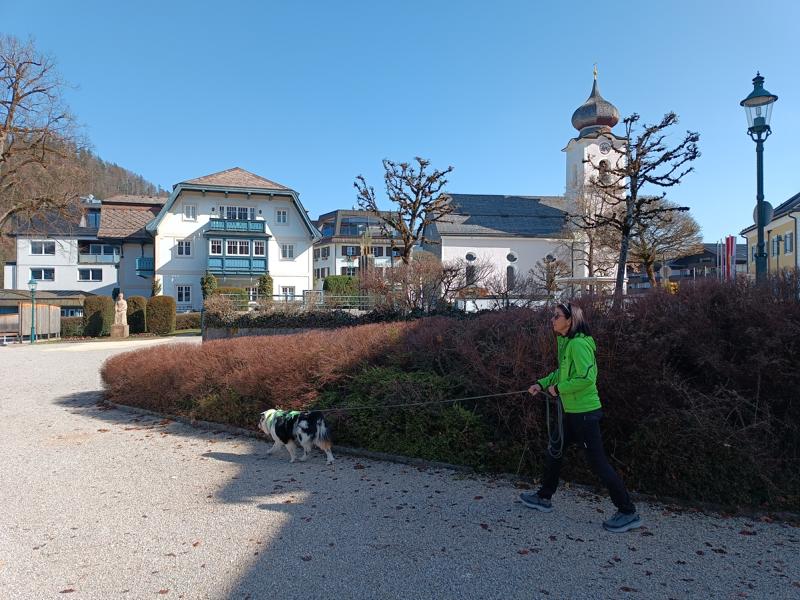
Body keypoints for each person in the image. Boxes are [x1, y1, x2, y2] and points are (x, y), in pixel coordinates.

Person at [520, 302, 641, 533]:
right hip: (571, 412)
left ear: (570, 320)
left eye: (556, 316)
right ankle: (544, 496)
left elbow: (587, 378)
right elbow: (562, 373)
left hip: (585, 413)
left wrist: (559, 389)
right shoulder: (567, 343)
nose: (552, 320)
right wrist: (541, 384)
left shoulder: (578, 344)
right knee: (555, 450)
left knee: (598, 463)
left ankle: (628, 511)